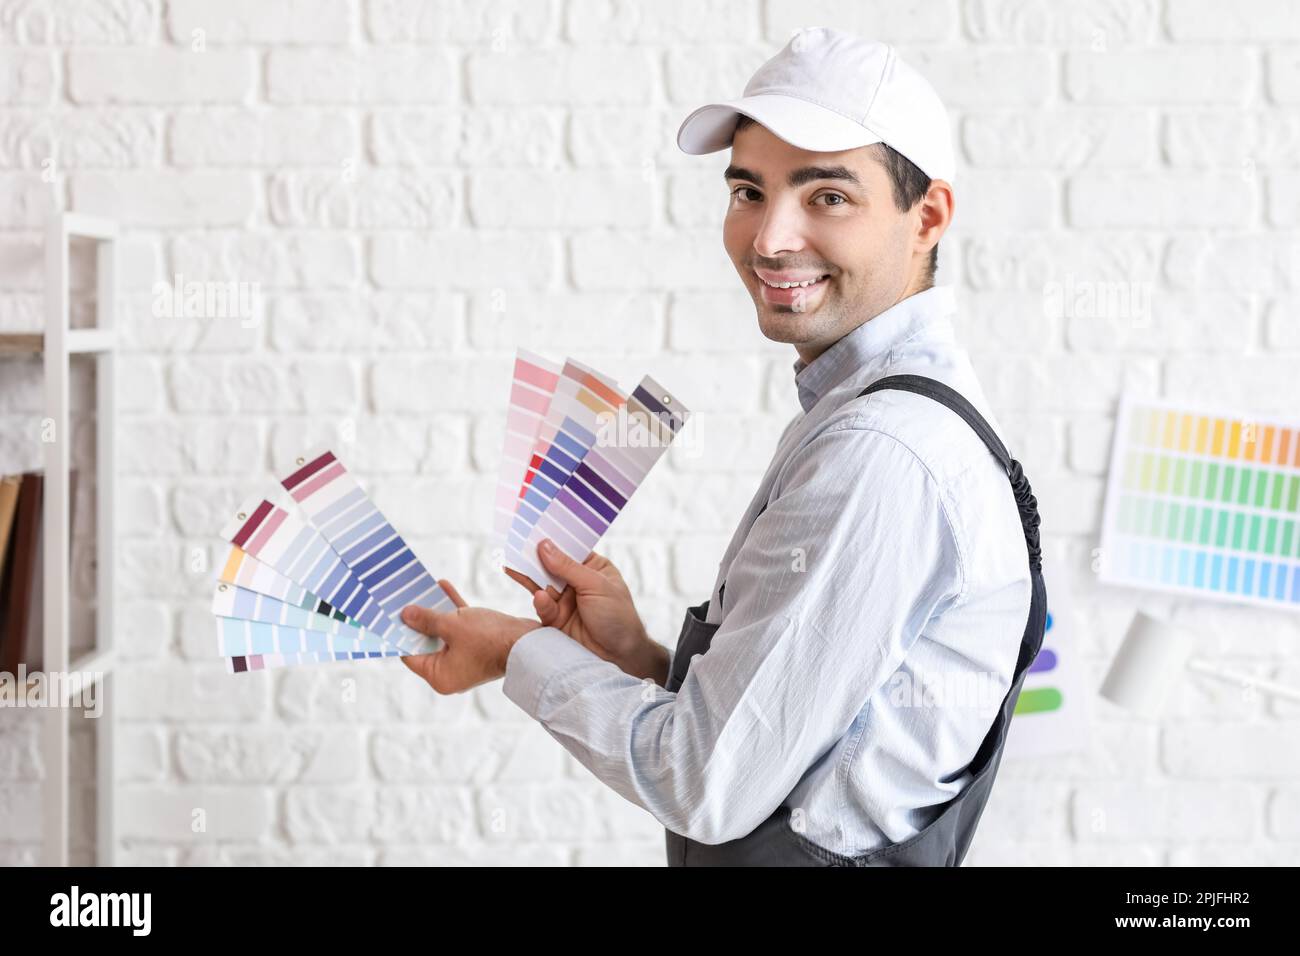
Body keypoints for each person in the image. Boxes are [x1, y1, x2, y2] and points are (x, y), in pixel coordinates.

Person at [400, 26, 1045, 866]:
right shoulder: (875, 415)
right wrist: (633, 659)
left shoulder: (881, 452)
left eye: (827, 197)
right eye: (748, 190)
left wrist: (513, 648)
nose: (770, 239)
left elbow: (705, 784)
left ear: (927, 216)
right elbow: (800, 750)